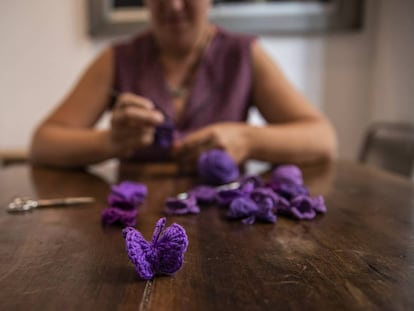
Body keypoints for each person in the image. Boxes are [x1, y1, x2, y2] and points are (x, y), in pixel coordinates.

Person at [30, 0, 337, 170]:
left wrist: (247, 140)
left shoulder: (243, 56)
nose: (174, 5)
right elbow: (44, 143)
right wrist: (110, 143)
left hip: (228, 228)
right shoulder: (117, 59)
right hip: (134, 229)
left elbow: (322, 139)